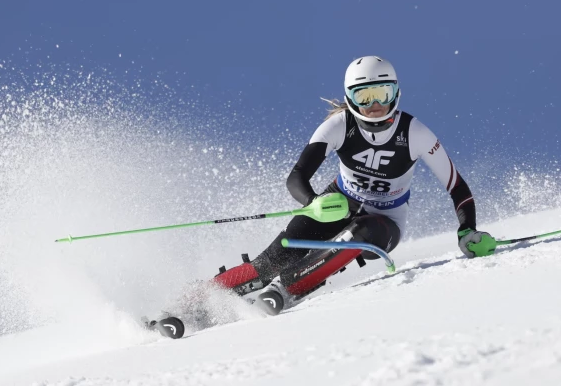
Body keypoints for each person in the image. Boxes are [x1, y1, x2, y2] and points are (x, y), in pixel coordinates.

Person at [212, 56, 496, 314]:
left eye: (382, 95)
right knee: (270, 261)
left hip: (385, 221)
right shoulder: (339, 125)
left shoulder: (414, 132)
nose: (374, 106)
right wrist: (312, 203)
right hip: (335, 204)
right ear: (350, 98)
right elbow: (297, 176)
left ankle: (285, 288)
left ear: (396, 93)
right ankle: (200, 298)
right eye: (364, 97)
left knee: (359, 232)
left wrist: (467, 229)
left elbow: (456, 186)